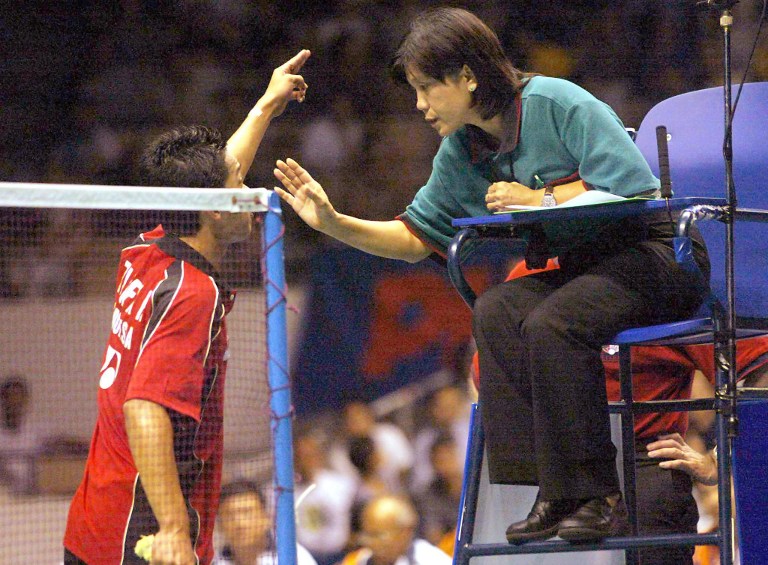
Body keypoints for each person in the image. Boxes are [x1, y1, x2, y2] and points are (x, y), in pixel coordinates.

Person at [274, 7, 708, 544]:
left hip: (658, 256)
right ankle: (554, 490)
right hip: (587, 270)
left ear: (467, 77)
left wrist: (539, 198)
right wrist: (335, 223)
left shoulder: (556, 102)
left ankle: (597, 494)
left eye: (428, 88)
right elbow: (414, 238)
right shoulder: (462, 149)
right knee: (498, 308)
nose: (420, 105)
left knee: (554, 321)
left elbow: (637, 189)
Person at [62, 49, 311, 565]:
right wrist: (175, 527)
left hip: (94, 521)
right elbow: (144, 405)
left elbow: (216, 178)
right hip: (144, 530)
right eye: (236, 188)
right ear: (210, 208)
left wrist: (265, 105)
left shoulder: (148, 246)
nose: (245, 193)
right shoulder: (194, 293)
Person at [472, 258, 768, 563]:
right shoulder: (529, 275)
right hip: (557, 465)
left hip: (646, 457)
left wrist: (719, 460)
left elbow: (762, 366)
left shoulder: (671, 277)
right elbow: (489, 377)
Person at [213, 479, 317, 565]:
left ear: (265, 518)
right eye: (229, 515)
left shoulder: (293, 556)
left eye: (247, 512)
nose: (239, 523)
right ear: (220, 526)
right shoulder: (214, 562)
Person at [339, 494, 451, 565]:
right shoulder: (357, 560)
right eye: (367, 535)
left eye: (378, 535)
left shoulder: (432, 560)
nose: (370, 543)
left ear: (405, 533)